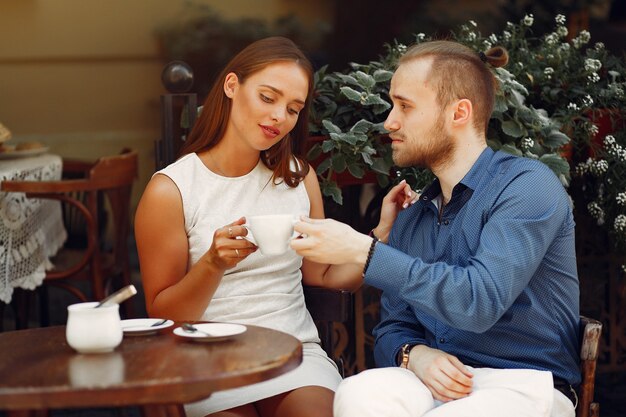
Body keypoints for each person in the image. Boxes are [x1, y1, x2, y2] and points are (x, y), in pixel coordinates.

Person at [290, 40, 581, 417]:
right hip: (432, 382)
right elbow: (393, 327)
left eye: (405, 106)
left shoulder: (527, 186)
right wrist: (414, 354)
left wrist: (364, 252)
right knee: (357, 393)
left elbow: (480, 301)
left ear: (458, 112)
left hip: (524, 383)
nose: (389, 121)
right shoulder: (412, 214)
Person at [135, 37, 414, 417]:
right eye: (268, 97)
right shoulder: (171, 191)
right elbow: (165, 315)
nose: (280, 116)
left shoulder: (299, 178)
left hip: (293, 354)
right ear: (232, 86)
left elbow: (326, 277)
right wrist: (212, 265)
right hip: (203, 360)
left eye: (293, 108)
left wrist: (382, 232)